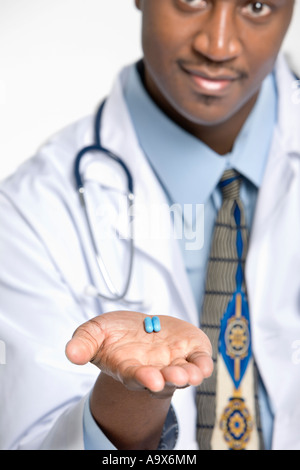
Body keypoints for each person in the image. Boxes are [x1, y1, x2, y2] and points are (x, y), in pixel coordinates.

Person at [0, 0, 299, 451]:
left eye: (257, 6)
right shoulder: (31, 209)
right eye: (192, 0)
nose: (218, 45)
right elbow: (31, 440)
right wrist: (131, 397)